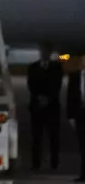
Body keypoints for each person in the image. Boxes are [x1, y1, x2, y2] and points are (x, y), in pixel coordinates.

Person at [27, 42, 63, 171]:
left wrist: (48, 98)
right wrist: (39, 97)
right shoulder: (33, 67)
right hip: (37, 107)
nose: (45, 54)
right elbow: (31, 85)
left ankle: (54, 162)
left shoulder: (57, 67)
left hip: (52, 107)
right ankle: (36, 163)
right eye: (43, 51)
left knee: (54, 137)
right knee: (36, 137)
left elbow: (57, 85)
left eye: (47, 51)